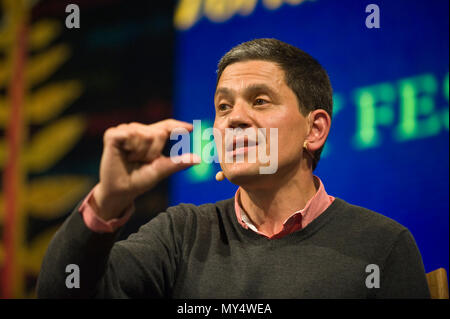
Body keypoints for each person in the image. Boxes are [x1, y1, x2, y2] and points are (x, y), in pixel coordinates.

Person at [36, 38, 430, 298]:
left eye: (259, 101)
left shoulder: (382, 245)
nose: (234, 119)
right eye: (223, 107)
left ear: (315, 129)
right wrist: (109, 199)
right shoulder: (181, 234)